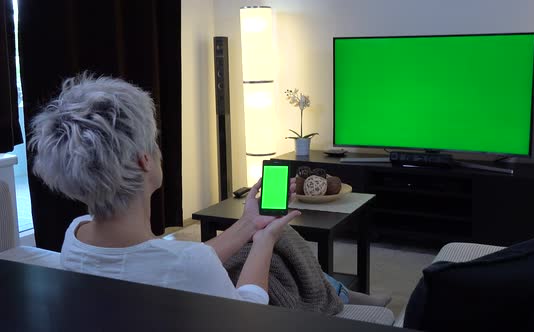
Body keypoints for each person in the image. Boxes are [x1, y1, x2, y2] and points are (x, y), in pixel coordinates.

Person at [29, 74, 390, 307]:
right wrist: (263, 242)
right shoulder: (186, 265)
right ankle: (340, 295)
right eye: (154, 142)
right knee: (280, 256)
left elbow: (175, 263)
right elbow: (248, 307)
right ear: (143, 161)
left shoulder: (76, 235)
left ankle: (342, 291)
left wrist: (248, 224)